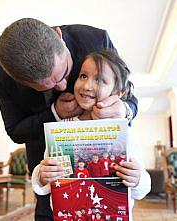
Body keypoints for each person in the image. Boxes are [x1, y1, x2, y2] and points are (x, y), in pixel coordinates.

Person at [0, 18, 138, 220]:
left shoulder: (95, 39)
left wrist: (124, 110)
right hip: (47, 165)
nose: (62, 86)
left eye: (65, 73)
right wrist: (54, 113)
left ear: (60, 37)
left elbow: (129, 96)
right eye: (47, 86)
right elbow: (15, 130)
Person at [31, 50, 151, 217]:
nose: (87, 86)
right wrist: (42, 175)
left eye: (100, 80)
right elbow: (46, 173)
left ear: (117, 93)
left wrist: (137, 178)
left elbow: (142, 189)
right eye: (83, 76)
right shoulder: (61, 128)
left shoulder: (124, 132)